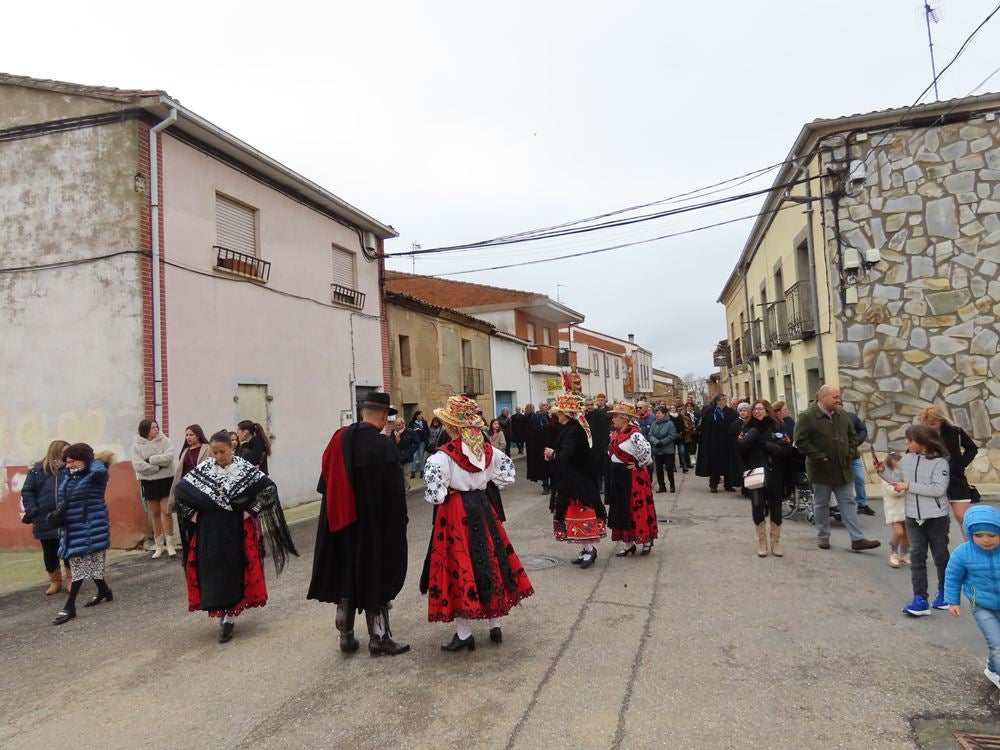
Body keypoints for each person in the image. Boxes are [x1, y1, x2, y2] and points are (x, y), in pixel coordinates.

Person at [420, 395, 533, 651]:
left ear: (452, 427)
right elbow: (506, 477)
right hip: (482, 508)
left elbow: (436, 494)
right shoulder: (488, 450)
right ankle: (495, 626)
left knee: (459, 565)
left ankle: (464, 634)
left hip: (456, 511)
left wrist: (451, 490)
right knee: (489, 561)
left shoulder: (443, 456)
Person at [308, 393, 410, 656]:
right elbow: (395, 496)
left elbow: (325, 485)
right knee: (376, 576)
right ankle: (379, 638)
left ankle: (346, 635)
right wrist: (399, 525)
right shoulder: (383, 446)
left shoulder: (338, 440)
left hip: (340, 526)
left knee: (347, 575)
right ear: (383, 416)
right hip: (373, 527)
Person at [176, 430, 297, 643]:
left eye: (222, 451)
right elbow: (182, 493)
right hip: (210, 530)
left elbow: (268, 489)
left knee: (236, 566)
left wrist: (250, 511)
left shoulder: (243, 469)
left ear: (232, 448)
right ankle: (221, 610)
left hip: (236, 528)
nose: (218, 456)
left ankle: (229, 615)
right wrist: (194, 516)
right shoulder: (204, 469)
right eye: (214, 452)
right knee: (212, 568)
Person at [794, 385, 880, 552]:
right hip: (821, 470)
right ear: (823, 397)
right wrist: (820, 457)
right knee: (821, 504)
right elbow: (801, 441)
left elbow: (852, 435)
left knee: (847, 502)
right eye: (835, 397)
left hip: (843, 468)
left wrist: (850, 452)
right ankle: (823, 536)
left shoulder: (841, 414)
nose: (839, 400)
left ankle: (857, 539)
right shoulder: (807, 417)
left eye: (839, 397)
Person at [875, 424, 950, 616]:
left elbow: (937, 490)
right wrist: (882, 471)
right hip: (912, 516)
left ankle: (945, 594)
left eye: (910, 440)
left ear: (924, 441)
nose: (907, 443)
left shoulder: (940, 462)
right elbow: (896, 479)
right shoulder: (907, 459)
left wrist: (908, 485)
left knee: (940, 556)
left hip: (936, 518)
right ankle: (920, 599)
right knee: (917, 557)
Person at [52, 444, 114, 625]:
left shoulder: (96, 473)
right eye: (67, 461)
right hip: (74, 526)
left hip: (90, 525)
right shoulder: (74, 475)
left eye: (72, 461)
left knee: (80, 563)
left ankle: (69, 606)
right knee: (91, 562)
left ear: (85, 459)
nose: (69, 465)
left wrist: (90, 461)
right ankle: (104, 590)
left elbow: (99, 469)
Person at [943, 504, 1000, 690]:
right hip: (981, 605)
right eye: (979, 535)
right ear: (970, 533)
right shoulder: (963, 553)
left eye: (992, 535)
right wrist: (952, 601)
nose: (986, 540)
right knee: (997, 643)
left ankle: (992, 670)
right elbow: (953, 576)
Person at [546, 393, 607, 568]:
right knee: (573, 515)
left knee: (580, 515)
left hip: (578, 482)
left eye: (559, 412)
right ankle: (586, 549)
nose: (557, 415)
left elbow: (567, 455)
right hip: (574, 480)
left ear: (565, 413)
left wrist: (552, 454)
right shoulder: (571, 428)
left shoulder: (573, 429)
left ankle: (590, 549)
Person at [737, 400, 796, 558]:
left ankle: (775, 543)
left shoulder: (778, 426)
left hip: (775, 474)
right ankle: (761, 542)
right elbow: (741, 446)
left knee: (776, 507)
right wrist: (756, 431)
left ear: (767, 410)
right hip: (755, 474)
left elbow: (786, 450)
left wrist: (766, 445)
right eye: (755, 409)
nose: (757, 412)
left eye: (761, 409)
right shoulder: (748, 427)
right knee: (757, 506)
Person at [606, 401, 657, 556]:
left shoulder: (634, 434)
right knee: (621, 510)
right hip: (618, 475)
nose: (613, 419)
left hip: (633, 477)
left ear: (624, 418)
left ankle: (646, 541)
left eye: (615, 416)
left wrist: (638, 464)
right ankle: (628, 544)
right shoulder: (615, 434)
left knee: (636, 509)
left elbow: (647, 452)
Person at [20, 440, 70, 595]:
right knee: (49, 551)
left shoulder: (70, 468)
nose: (68, 454)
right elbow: (27, 492)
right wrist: (34, 510)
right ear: (55, 452)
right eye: (65, 451)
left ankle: (71, 579)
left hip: (66, 516)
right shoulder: (37, 470)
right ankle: (55, 581)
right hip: (44, 518)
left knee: (69, 549)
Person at [919, 406, 979, 533]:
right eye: (926, 424)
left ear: (940, 420)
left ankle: (972, 549)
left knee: (964, 519)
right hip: (931, 483)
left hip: (956, 480)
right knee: (933, 523)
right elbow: (911, 454)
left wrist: (960, 464)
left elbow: (972, 449)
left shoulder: (956, 431)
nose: (929, 427)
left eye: (932, 424)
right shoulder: (921, 434)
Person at [130, 419, 176, 559]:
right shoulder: (137, 445)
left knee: (166, 511)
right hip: (149, 482)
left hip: (166, 480)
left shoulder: (164, 440)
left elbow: (169, 457)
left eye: (157, 427)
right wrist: (157, 467)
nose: (156, 430)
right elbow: (138, 466)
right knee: (154, 513)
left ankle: (170, 544)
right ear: (145, 430)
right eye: (152, 428)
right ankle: (159, 545)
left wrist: (150, 460)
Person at [695, 394, 737, 493]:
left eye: (725, 399)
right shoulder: (709, 412)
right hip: (714, 444)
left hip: (727, 443)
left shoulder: (730, 412)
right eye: (723, 400)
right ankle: (713, 484)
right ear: (717, 401)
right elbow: (705, 430)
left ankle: (728, 484)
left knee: (728, 463)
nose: (725, 401)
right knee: (715, 464)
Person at [880, 452, 909, 568]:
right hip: (893, 510)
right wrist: (906, 488)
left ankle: (905, 553)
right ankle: (894, 552)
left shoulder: (905, 476)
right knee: (899, 532)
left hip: (906, 509)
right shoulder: (885, 478)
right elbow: (893, 491)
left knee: (907, 534)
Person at [846, 411, 874, 516]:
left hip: (854, 456)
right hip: (840, 458)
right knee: (845, 483)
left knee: (859, 478)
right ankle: (846, 506)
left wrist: (857, 441)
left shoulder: (851, 417)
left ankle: (862, 504)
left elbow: (862, 429)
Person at [172, 424, 211, 492]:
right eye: (187, 435)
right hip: (186, 485)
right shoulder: (185, 451)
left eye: (191, 435)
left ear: (198, 436)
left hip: (201, 485)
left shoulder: (207, 449)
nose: (188, 437)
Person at [648, 407, 678, 493]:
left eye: (659, 413)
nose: (657, 415)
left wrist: (662, 442)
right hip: (657, 450)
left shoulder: (670, 424)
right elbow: (650, 435)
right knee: (659, 469)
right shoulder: (654, 424)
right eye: (656, 413)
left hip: (668, 450)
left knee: (669, 468)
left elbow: (672, 436)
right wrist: (656, 442)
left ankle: (672, 485)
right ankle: (662, 486)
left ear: (664, 414)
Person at [585, 396, 611, 491]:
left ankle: (599, 486)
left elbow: (605, 430)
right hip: (588, 445)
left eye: (591, 405)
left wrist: (605, 445)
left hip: (599, 445)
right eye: (587, 405)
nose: (590, 407)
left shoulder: (599, 414)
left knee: (599, 467)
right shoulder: (584, 416)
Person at [524, 402, 550, 494]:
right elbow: (532, 432)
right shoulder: (536, 418)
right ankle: (546, 486)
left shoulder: (552, 416)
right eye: (544, 405)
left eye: (547, 405)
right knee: (544, 468)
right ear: (540, 408)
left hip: (552, 445)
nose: (546, 406)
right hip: (541, 446)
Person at [391, 418, 418, 492]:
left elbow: (417, 442)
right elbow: (391, 444)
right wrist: (397, 437)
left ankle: (405, 491)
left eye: (399, 425)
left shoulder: (410, 432)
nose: (397, 427)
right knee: (398, 476)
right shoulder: (393, 433)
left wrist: (411, 452)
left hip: (407, 458)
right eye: (396, 425)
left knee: (406, 476)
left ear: (403, 424)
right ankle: (403, 489)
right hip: (397, 458)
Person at [730, 402, 751, 494]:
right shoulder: (735, 424)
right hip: (738, 451)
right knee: (741, 469)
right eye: (741, 411)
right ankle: (744, 487)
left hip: (749, 451)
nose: (742, 412)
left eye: (745, 410)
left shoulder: (751, 422)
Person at [408, 410, 430, 479]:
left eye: (421, 415)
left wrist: (427, 439)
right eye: (420, 414)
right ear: (416, 415)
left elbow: (427, 431)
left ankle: (422, 471)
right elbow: (409, 431)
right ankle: (413, 472)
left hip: (422, 442)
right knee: (414, 457)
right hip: (414, 442)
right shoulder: (412, 422)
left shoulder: (424, 422)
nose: (421, 416)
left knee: (421, 457)